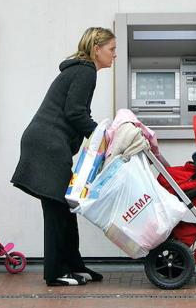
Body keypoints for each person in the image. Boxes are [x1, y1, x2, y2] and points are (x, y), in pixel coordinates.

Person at [11, 27, 116, 286]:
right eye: (111, 49)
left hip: (45, 143)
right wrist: (104, 135)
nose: (114, 55)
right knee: (57, 209)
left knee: (65, 208)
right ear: (96, 49)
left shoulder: (79, 69)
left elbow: (73, 113)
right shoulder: (85, 71)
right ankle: (55, 273)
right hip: (46, 145)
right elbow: (75, 113)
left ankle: (73, 265)